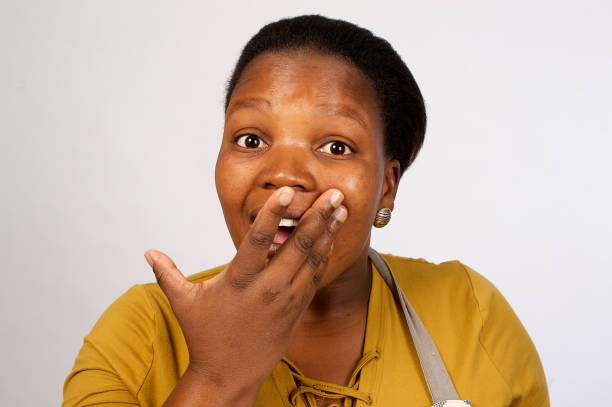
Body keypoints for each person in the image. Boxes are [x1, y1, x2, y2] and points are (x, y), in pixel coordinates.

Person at [63, 15, 549, 407]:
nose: (285, 174)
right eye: (251, 139)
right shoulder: (141, 332)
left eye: (336, 146)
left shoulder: (470, 314)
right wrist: (218, 375)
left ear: (386, 185)